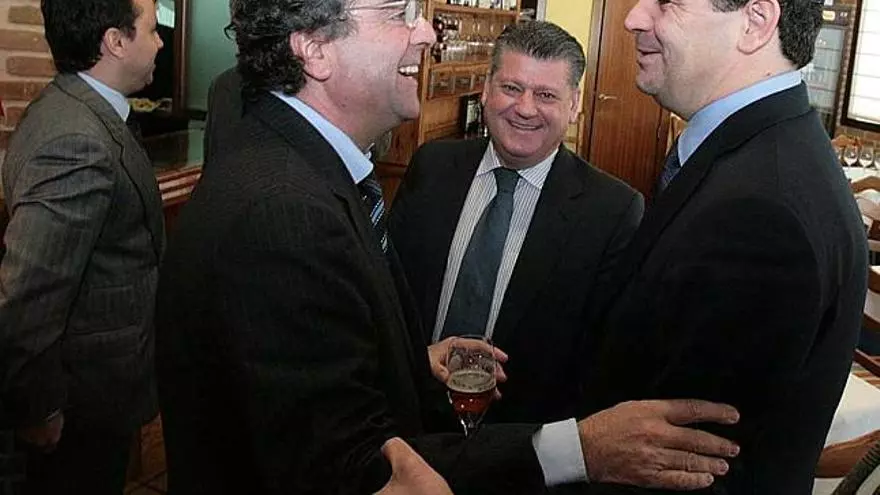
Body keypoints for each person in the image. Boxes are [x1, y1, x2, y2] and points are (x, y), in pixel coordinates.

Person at [155, 0, 739, 493]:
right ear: (314, 48)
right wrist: (583, 449)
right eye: (397, 14)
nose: (426, 33)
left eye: (546, 94)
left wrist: (412, 364)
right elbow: (351, 468)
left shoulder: (300, 174)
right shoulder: (285, 213)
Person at [579, 0, 868, 493]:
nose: (634, 18)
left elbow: (679, 464)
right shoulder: (761, 152)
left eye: (666, 2)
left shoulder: (760, 213)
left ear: (755, 23)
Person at [389, 21, 643, 426]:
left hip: (521, 437)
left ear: (574, 105)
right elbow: (389, 291)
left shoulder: (613, 211)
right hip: (405, 413)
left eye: (546, 95)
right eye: (511, 88)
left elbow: (603, 357)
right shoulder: (431, 166)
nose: (525, 108)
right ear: (486, 90)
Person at [0, 0, 165, 493]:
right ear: (115, 42)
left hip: (95, 396)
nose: (160, 43)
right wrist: (38, 407)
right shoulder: (76, 138)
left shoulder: (78, 109)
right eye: (152, 30)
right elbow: (29, 293)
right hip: (79, 406)